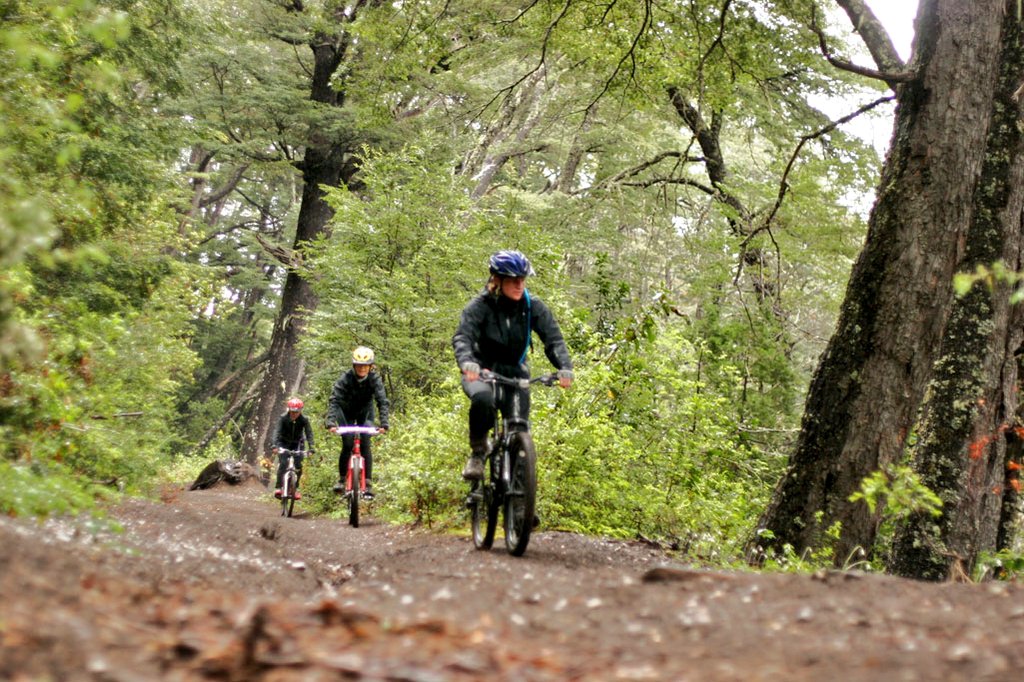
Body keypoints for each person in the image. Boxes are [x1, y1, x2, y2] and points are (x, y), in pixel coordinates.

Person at [452, 249, 573, 481]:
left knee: (520, 432)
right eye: (513, 280)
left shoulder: (532, 306)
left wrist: (564, 367)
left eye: (522, 280)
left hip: (515, 371)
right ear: (497, 281)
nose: (519, 285)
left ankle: (521, 504)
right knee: (483, 399)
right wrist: (467, 362)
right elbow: (463, 337)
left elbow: (553, 339)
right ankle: (478, 451)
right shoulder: (480, 306)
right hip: (481, 370)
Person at [325, 346, 390, 498]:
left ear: (370, 366)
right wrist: (331, 422)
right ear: (354, 366)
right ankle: (342, 480)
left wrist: (384, 423)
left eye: (365, 365)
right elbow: (334, 400)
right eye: (359, 365)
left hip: (365, 413)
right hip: (345, 412)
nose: (362, 368)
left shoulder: (374, 379)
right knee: (347, 443)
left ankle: (367, 484)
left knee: (366, 442)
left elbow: (382, 401)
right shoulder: (345, 378)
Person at [272, 397, 315, 499]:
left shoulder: (304, 420)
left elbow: (309, 433)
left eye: (296, 412)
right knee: (283, 463)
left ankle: (295, 488)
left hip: (298, 443)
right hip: (283, 443)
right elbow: (276, 432)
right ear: (289, 410)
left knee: (299, 466)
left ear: (300, 411)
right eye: (292, 412)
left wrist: (311, 448)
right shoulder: (283, 418)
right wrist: (274, 445)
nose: (294, 414)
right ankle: (278, 487)